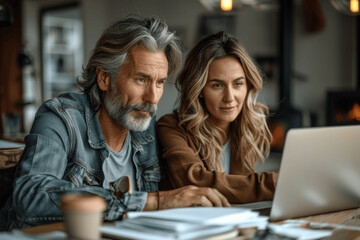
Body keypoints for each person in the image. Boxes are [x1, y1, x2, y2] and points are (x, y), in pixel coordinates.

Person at [0, 16, 229, 231]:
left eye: (159, 82)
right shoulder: (60, 118)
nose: (152, 98)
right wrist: (152, 201)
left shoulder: (146, 129)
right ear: (104, 78)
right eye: (141, 79)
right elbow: (30, 195)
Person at [157, 31, 278, 204]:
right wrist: (275, 183)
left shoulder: (244, 128)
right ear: (198, 90)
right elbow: (195, 182)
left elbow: (238, 192)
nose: (230, 97)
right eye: (217, 85)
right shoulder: (171, 127)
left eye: (238, 84)